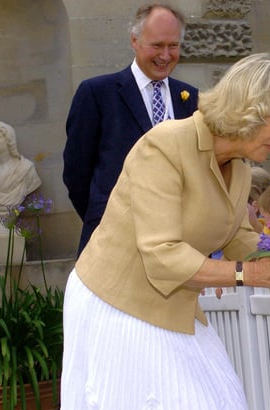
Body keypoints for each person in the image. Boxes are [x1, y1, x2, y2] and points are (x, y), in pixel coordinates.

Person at [58, 53, 270, 410]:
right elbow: (163, 255)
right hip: (116, 301)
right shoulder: (165, 145)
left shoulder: (240, 170)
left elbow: (240, 240)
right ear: (245, 110)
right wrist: (252, 276)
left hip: (175, 304)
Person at [63, 4, 199, 254]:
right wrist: (106, 222)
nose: (166, 55)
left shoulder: (191, 98)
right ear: (134, 41)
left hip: (178, 246)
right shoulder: (96, 94)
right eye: (157, 45)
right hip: (113, 244)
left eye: (173, 45)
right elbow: (76, 175)